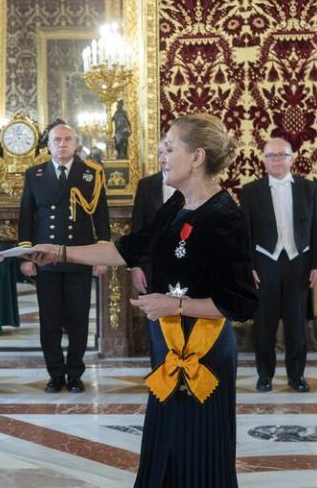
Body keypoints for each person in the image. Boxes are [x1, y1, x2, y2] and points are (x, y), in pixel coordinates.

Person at [29, 113, 258, 487]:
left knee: (199, 449)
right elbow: (127, 250)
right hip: (167, 342)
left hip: (204, 352)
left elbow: (242, 303)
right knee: (165, 443)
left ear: (197, 156)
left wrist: (175, 305)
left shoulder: (225, 216)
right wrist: (59, 251)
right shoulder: (176, 204)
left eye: (170, 148)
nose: (161, 154)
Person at [18, 123, 110, 393]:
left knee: (79, 319)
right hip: (46, 260)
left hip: (79, 259)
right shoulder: (34, 174)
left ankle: (75, 373)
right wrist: (26, 257)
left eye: (68, 139)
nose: (62, 144)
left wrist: (101, 256)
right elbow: (27, 218)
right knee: (50, 320)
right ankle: (55, 373)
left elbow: (101, 217)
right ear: (48, 144)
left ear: (75, 143)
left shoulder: (91, 174)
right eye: (57, 140)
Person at [241, 136, 317, 393]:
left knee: (296, 325)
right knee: (264, 325)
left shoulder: (309, 188)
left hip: (298, 263)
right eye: (271, 155)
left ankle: (296, 376)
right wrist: (249, 266)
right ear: (264, 160)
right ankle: (264, 375)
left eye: (282, 155)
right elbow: (244, 232)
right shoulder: (250, 191)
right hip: (264, 264)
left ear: (292, 159)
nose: (277, 160)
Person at [129, 138, 175, 293]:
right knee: (156, 316)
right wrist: (136, 266)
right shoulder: (145, 186)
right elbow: (137, 230)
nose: (162, 158)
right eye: (160, 152)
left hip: (189, 267)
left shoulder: (194, 184)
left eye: (168, 152)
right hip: (152, 267)